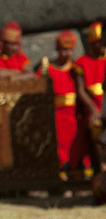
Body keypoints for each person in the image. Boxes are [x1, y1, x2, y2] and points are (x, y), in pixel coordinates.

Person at [38, 31, 82, 181]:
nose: (67, 53)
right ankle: (60, 179)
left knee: (75, 147)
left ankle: (77, 178)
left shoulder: (76, 69)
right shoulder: (49, 69)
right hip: (56, 114)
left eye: (70, 50)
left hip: (74, 114)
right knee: (59, 147)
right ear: (58, 50)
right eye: (64, 50)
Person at [73, 21, 105, 172]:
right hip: (95, 109)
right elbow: (80, 90)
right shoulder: (81, 63)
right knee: (97, 130)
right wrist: (93, 109)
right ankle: (102, 170)